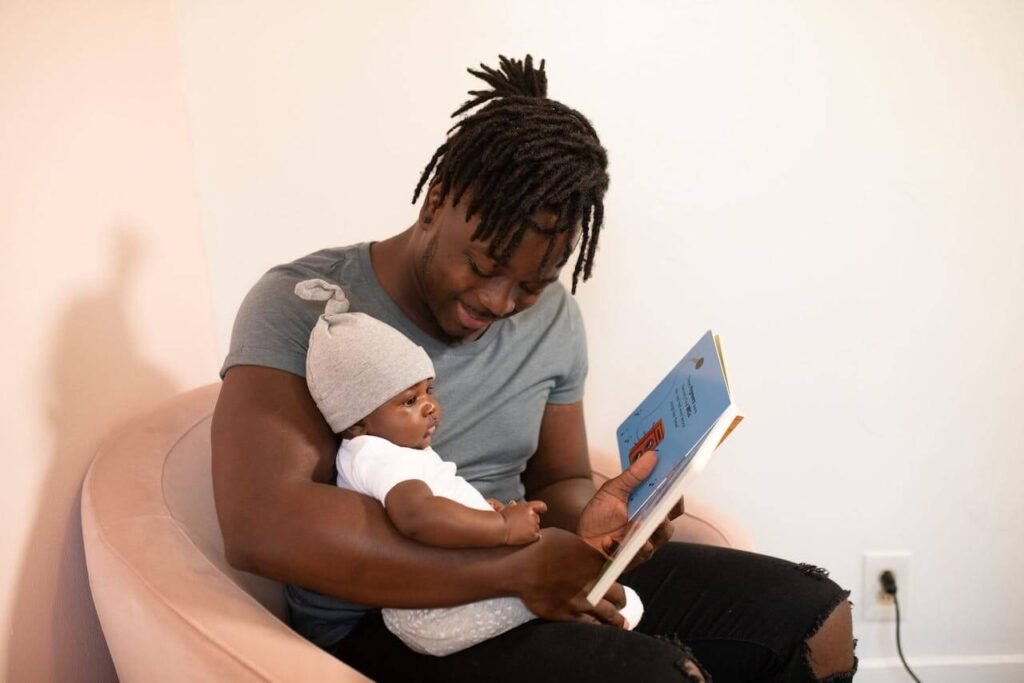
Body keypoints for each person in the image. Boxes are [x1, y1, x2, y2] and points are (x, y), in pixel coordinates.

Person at [212, 55, 857, 681]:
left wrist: (601, 520)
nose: (498, 303)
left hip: (527, 572)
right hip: (386, 623)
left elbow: (562, 478)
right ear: (436, 201)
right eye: (485, 265)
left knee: (812, 617)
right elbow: (262, 525)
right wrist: (510, 571)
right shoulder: (306, 305)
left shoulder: (553, 318)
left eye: (531, 284)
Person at [292, 276, 644, 655]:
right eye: (409, 401)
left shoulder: (394, 450)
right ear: (357, 421)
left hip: (446, 598)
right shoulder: (376, 454)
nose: (429, 405)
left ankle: (591, 593)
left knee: (566, 577)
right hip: (432, 611)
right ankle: (601, 599)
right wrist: (500, 527)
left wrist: (476, 513)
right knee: (574, 589)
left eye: (429, 390)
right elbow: (417, 516)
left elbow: (436, 510)